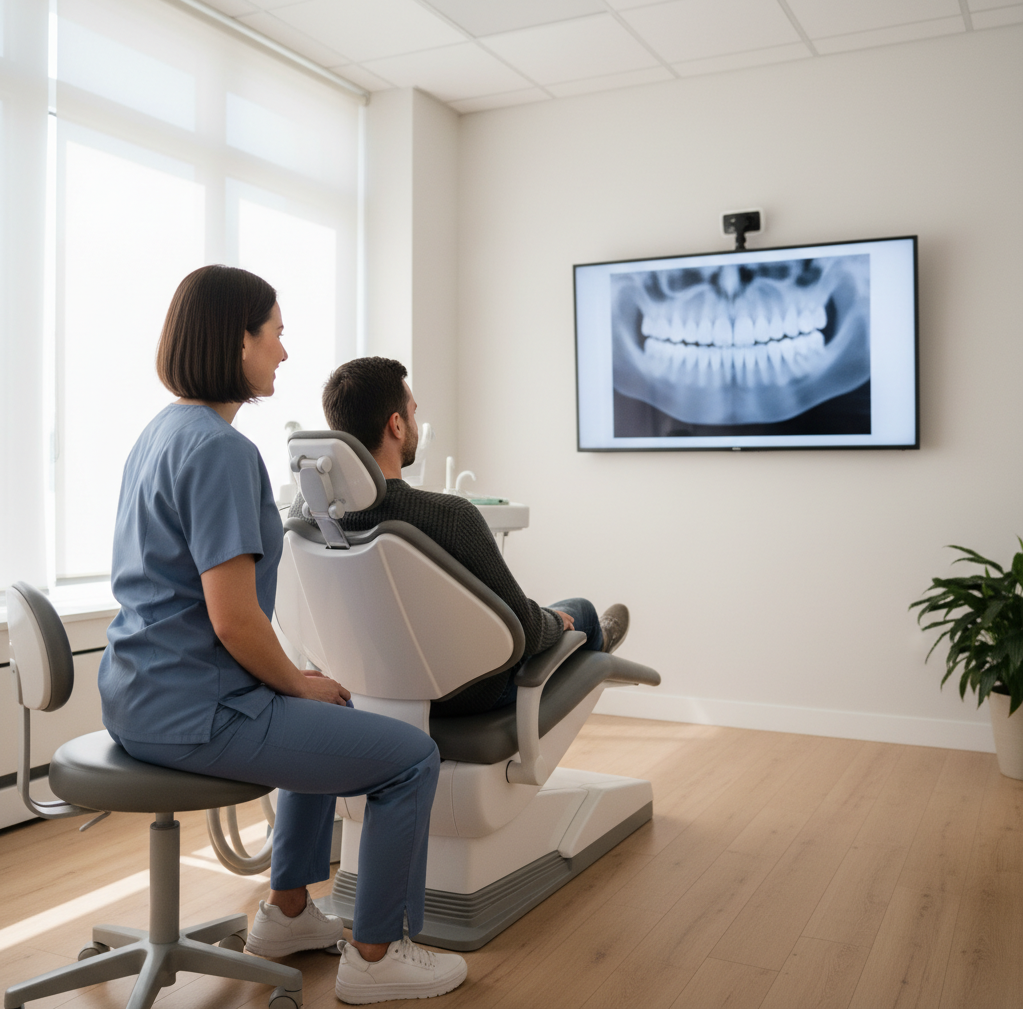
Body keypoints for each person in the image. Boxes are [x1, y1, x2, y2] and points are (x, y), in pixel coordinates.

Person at [97, 267, 467, 1005]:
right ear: (237, 341)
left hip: (137, 692)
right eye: (276, 334)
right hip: (194, 711)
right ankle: (374, 954)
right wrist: (294, 680)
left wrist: (299, 689)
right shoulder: (222, 451)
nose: (284, 354)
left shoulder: (162, 431)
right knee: (411, 758)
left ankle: (289, 915)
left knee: (322, 714)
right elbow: (234, 619)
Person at [290, 356, 630, 716]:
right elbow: (525, 631)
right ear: (396, 425)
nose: (415, 423)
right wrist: (550, 621)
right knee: (581, 612)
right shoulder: (452, 516)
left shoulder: (307, 514)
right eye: (413, 413)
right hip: (469, 692)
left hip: (363, 681)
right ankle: (598, 643)